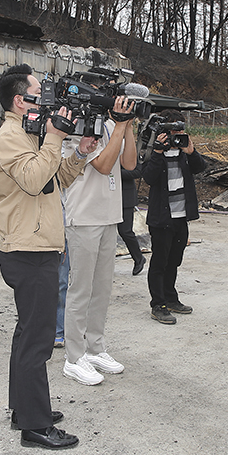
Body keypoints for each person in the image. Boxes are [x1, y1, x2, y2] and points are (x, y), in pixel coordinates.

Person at [0, 63, 96, 449]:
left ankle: (24, 408)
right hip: (28, 251)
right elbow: (33, 180)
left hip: (37, 246)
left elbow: (52, 180)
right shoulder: (10, 137)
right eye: (40, 95)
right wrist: (54, 138)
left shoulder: (29, 137)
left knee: (27, 334)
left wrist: (78, 156)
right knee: (37, 340)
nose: (48, 104)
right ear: (21, 101)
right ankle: (35, 427)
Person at [60, 96, 137, 386]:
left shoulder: (112, 126)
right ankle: (73, 357)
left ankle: (94, 348)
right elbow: (103, 165)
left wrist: (126, 126)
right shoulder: (84, 127)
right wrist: (118, 126)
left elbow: (128, 162)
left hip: (108, 215)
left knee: (102, 289)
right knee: (81, 289)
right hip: (84, 217)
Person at [141, 110, 207, 324]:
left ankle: (171, 298)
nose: (178, 134)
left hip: (181, 217)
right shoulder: (155, 151)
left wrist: (191, 151)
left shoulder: (183, 152)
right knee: (160, 262)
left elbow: (201, 168)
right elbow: (149, 178)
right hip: (161, 218)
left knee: (174, 261)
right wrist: (159, 152)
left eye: (181, 130)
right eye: (174, 130)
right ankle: (157, 305)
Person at [119, 164, 146, 276]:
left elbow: (138, 172)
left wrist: (116, 172)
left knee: (125, 231)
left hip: (126, 198)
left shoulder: (129, 150)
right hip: (107, 196)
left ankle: (139, 259)